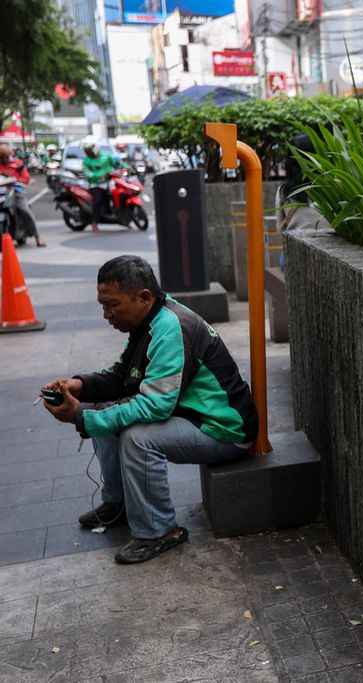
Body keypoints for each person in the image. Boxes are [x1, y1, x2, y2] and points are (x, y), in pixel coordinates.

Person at [40, 256, 258, 563]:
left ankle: (159, 530)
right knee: (107, 413)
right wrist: (80, 385)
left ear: (144, 297)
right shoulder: (149, 321)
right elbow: (121, 376)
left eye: (112, 305)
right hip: (192, 414)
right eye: (102, 304)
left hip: (224, 430)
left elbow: (156, 405)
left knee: (137, 436)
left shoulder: (170, 327)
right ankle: (118, 504)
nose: (106, 314)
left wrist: (81, 415)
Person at [0, 143, 45, 247]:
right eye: (1, 157)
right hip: (1, 192)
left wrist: (14, 180)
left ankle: (37, 236)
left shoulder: (17, 163)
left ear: (9, 154)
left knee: (25, 210)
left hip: (16, 191)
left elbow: (26, 178)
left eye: (5, 157)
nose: (4, 159)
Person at [82, 136, 120, 233]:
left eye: (88, 149)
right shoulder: (86, 161)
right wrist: (97, 176)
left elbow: (116, 165)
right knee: (98, 201)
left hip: (108, 183)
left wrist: (124, 165)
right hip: (95, 185)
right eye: (86, 150)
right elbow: (86, 173)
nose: (87, 151)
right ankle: (94, 223)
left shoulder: (106, 156)